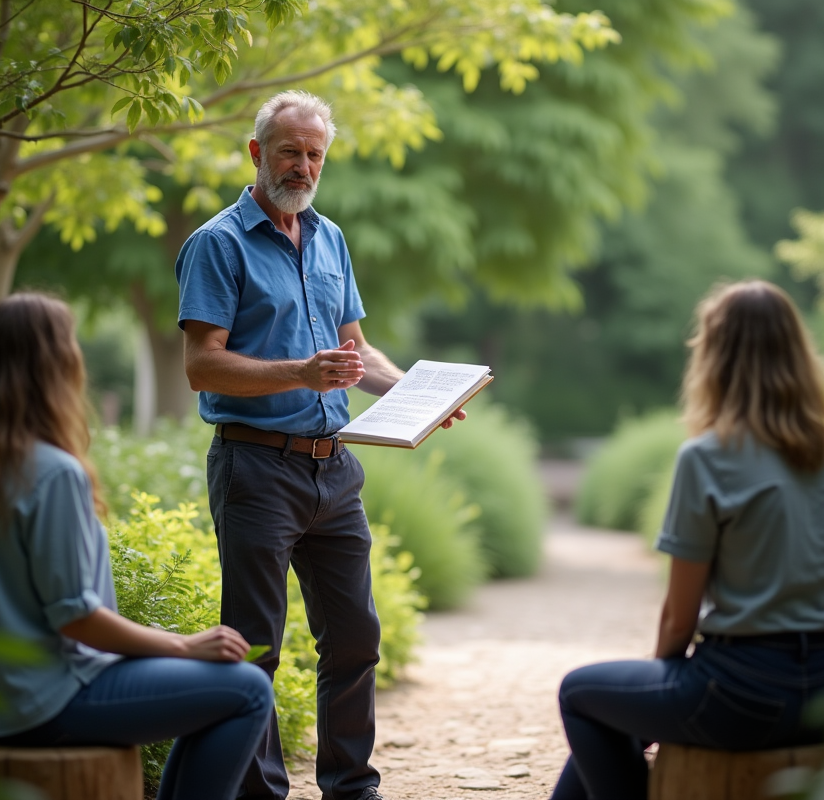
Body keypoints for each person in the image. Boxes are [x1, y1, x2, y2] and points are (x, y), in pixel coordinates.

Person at [175, 90, 462, 800]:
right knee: (255, 645)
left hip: (335, 470)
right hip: (255, 467)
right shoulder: (217, 244)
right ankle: (260, 791)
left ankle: (351, 787)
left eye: (314, 155)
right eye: (290, 152)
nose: (303, 167)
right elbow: (201, 364)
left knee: (356, 639)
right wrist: (299, 372)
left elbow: (355, 350)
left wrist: (416, 393)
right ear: (256, 154)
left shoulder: (330, 238)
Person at [0, 293, 273, 800]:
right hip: (35, 701)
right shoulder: (53, 473)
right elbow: (75, 617)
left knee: (209, 687)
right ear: (56, 367)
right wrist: (183, 644)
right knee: (249, 690)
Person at [551, 281, 824, 800]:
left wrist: (659, 689)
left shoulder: (708, 457)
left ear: (715, 358)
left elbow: (680, 615)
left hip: (744, 693)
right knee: (623, 706)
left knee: (579, 694)